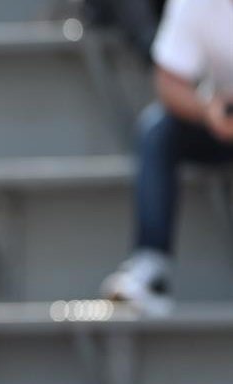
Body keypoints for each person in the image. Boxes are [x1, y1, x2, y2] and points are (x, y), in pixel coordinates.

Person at [101, 0, 233, 315]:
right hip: (219, 123)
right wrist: (209, 111)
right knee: (157, 131)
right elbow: (169, 83)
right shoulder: (193, 4)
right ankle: (150, 269)